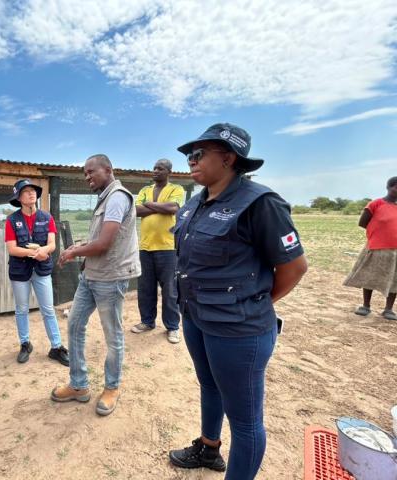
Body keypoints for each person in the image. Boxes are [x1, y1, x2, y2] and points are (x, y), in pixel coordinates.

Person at [168, 124, 307, 479]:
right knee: (209, 385)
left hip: (238, 329)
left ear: (228, 158)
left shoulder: (260, 203)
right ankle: (208, 448)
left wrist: (255, 303)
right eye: (189, 155)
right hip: (196, 318)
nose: (191, 161)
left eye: (199, 155)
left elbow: (293, 267)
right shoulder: (195, 203)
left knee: (245, 422)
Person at [51, 154, 141, 416]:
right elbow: (97, 240)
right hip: (91, 276)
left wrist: (72, 253)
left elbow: (104, 244)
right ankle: (79, 385)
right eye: (85, 174)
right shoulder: (105, 197)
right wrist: (80, 248)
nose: (87, 177)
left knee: (113, 335)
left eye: (91, 172)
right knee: (75, 324)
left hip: (110, 278)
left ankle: (112, 387)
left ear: (108, 170)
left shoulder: (117, 197)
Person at [5, 179, 69, 366]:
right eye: (26, 191)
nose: (31, 193)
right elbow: (12, 249)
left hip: (41, 271)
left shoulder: (46, 217)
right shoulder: (12, 220)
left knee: (48, 309)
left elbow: (52, 244)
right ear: (19, 197)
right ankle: (25, 344)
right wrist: (35, 253)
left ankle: (56, 347)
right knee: (22, 309)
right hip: (20, 272)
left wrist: (44, 251)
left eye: (33, 190)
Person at [131, 158, 185, 343]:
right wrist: (159, 208)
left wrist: (149, 206)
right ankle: (147, 322)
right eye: (154, 168)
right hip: (145, 247)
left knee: (169, 289)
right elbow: (136, 211)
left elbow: (173, 208)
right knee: (145, 288)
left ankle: (172, 327)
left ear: (168, 171)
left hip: (167, 247)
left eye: (160, 168)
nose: (155, 171)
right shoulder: (145, 190)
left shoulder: (176, 189)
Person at [344, 176, 397, 320]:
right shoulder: (376, 204)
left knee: (394, 279)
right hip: (376, 247)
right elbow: (363, 222)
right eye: (396, 187)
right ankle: (366, 306)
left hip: (395, 251)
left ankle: (389, 309)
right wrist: (379, 233)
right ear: (388, 187)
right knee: (369, 275)